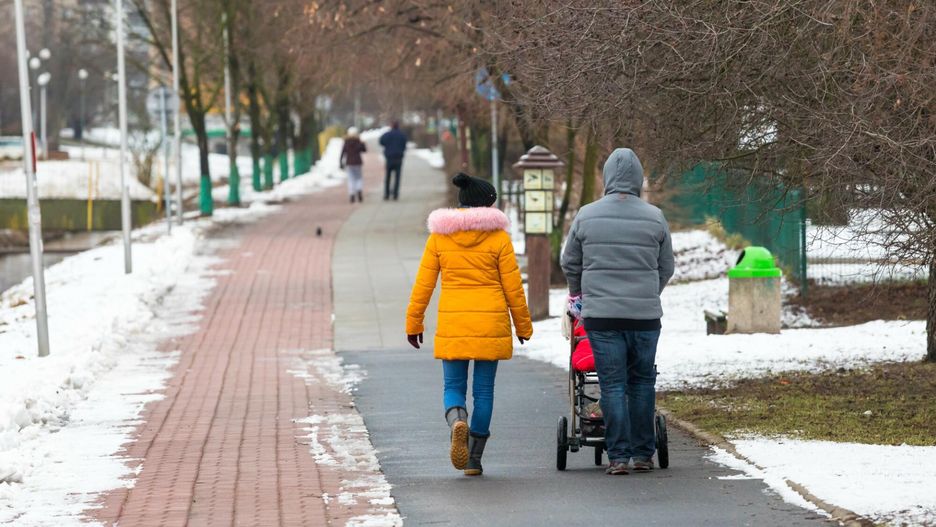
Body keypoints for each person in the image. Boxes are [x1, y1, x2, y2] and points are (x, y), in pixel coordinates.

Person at [406, 172, 533, 476]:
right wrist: (523, 326)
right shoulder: (499, 238)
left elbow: (424, 284)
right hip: (490, 324)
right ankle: (474, 459)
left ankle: (457, 421)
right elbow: (513, 286)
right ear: (487, 206)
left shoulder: (439, 237)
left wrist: (414, 322)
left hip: (454, 323)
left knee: (453, 386)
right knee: (485, 391)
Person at [560, 148, 675, 476]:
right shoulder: (655, 217)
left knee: (612, 384)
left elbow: (571, 262)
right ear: (638, 179)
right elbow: (666, 266)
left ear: (608, 177)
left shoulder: (586, 214)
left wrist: (578, 294)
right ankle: (643, 455)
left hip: (603, 317)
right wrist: (650, 293)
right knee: (641, 382)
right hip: (645, 317)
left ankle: (619, 457)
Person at [379, 121, 407, 200]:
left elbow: (381, 141)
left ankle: (387, 194)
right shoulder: (402, 135)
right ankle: (395, 194)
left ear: (391, 126)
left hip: (389, 158)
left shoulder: (387, 134)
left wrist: (387, 147)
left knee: (388, 176)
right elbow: (405, 144)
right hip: (398, 157)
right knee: (397, 177)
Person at [340, 127, 367, 203]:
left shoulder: (346, 142)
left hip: (349, 163)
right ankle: (359, 190)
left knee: (351, 179)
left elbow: (342, 152)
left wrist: (340, 162)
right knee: (359, 178)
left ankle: (352, 194)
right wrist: (362, 143)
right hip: (358, 162)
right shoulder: (358, 141)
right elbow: (364, 150)